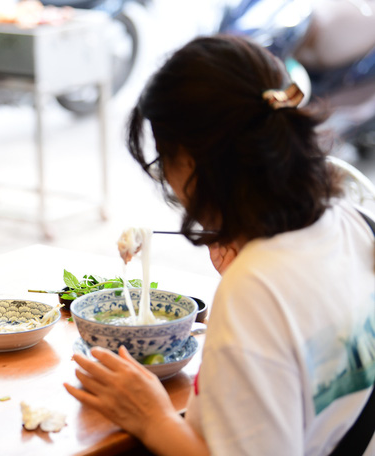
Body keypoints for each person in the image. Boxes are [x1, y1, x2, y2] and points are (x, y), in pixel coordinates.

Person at [64, 34, 375, 455]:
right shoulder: (351, 221)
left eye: (162, 158)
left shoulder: (256, 290)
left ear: (191, 160)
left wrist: (150, 416)